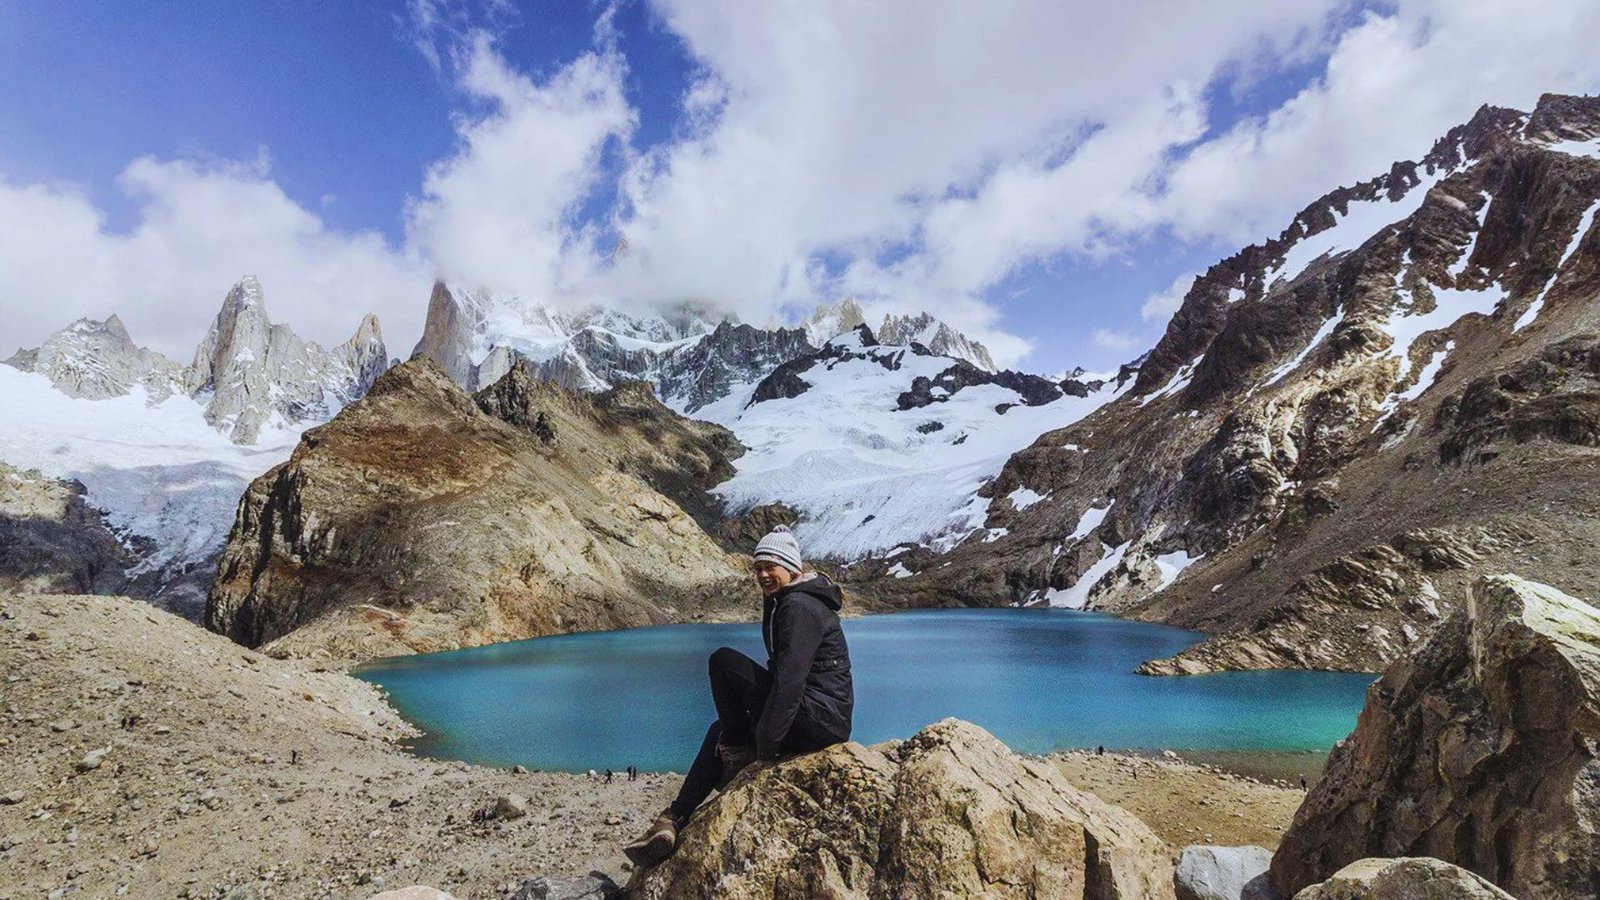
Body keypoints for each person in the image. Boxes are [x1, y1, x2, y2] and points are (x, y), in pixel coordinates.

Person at [624, 525, 853, 867]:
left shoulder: (799, 606)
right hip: (816, 718)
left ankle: (735, 755)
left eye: (770, 566)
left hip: (820, 720)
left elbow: (789, 683)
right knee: (720, 731)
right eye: (758, 567)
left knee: (725, 663)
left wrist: (764, 749)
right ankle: (673, 819)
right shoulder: (786, 602)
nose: (762, 574)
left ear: (790, 567)